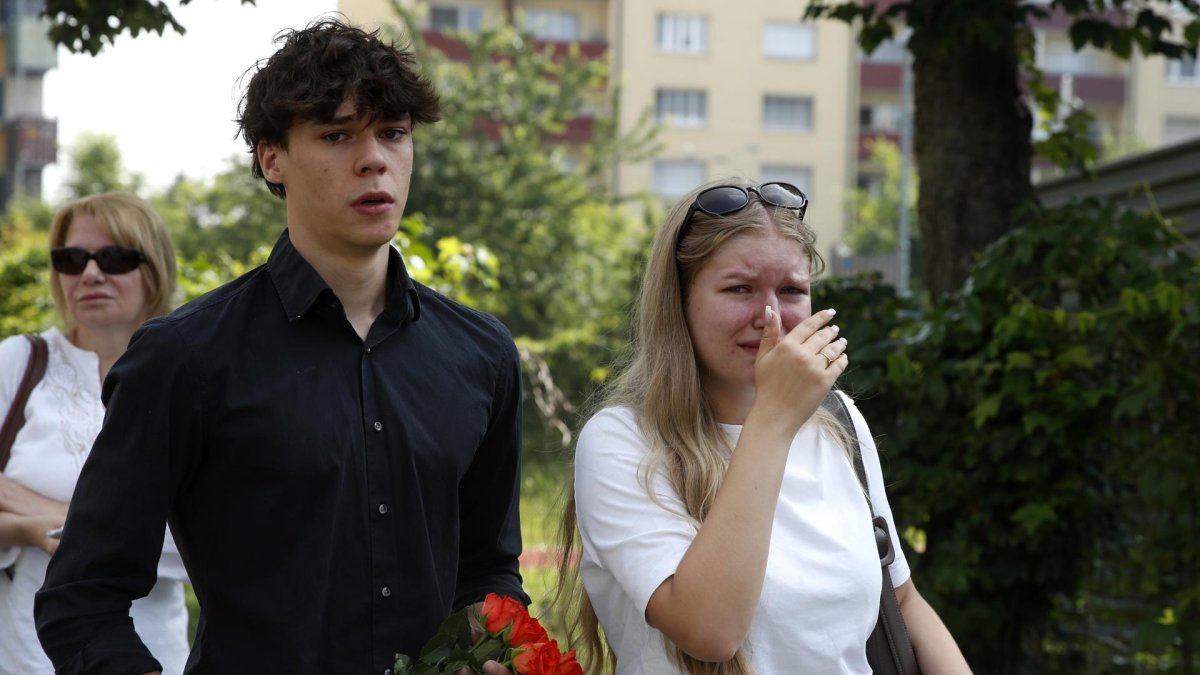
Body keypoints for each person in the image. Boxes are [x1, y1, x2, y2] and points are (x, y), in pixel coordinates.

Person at [35, 19, 526, 675]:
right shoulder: (184, 357)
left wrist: (493, 648)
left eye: (392, 132)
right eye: (336, 135)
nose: (374, 159)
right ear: (272, 158)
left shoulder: (481, 354)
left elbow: (488, 568)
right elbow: (80, 597)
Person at [558, 178, 971, 674]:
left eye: (792, 290)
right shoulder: (622, 441)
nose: (771, 315)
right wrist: (773, 419)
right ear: (679, 303)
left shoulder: (838, 420)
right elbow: (709, 632)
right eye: (740, 289)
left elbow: (902, 600)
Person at [0, 192, 188, 675]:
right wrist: (24, 529)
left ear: (153, 268)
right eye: (71, 259)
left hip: (151, 658)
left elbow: (211, 541)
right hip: (24, 657)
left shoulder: (190, 373)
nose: (89, 274)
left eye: (114, 257)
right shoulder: (17, 363)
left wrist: (42, 512)